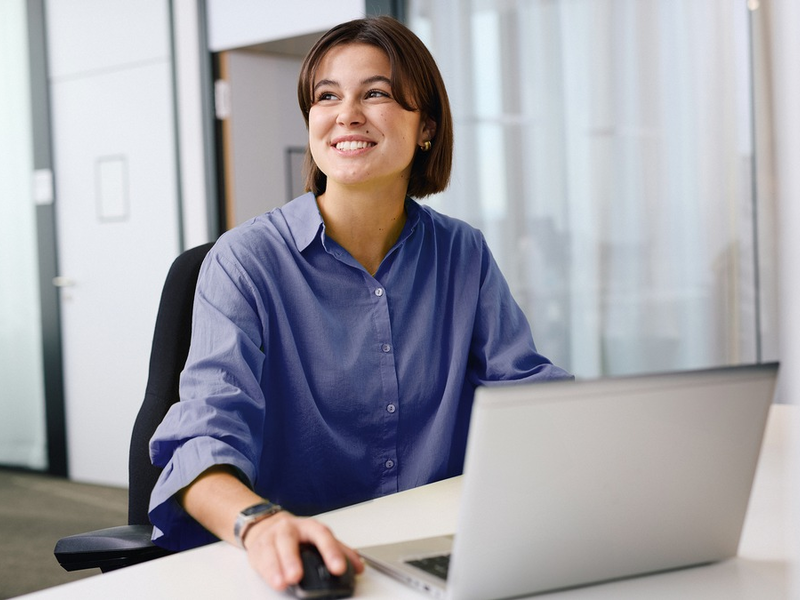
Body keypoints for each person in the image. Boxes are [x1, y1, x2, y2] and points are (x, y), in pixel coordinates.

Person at [148, 15, 572, 593]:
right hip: (305, 564)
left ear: (426, 126)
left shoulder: (461, 252)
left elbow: (525, 390)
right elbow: (203, 441)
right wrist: (260, 524)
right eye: (327, 96)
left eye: (375, 93)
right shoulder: (245, 261)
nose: (346, 114)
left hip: (436, 548)